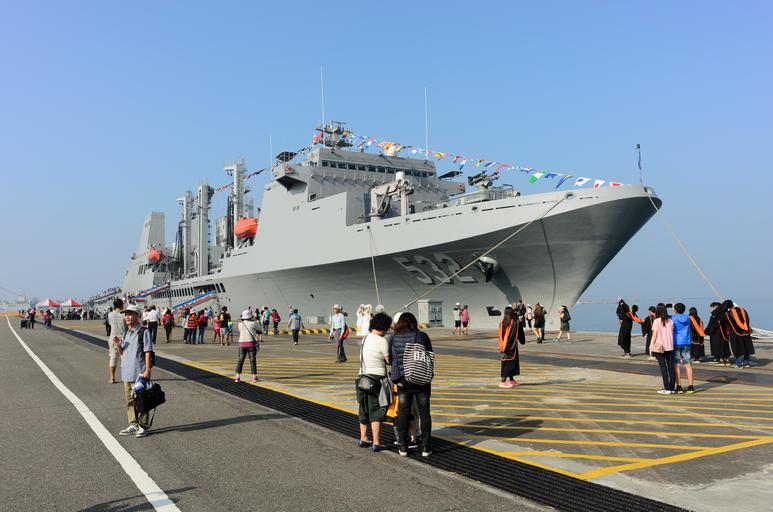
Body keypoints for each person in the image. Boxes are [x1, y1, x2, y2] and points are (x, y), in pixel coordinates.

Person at [390, 312, 433, 457]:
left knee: (403, 412)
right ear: (414, 322)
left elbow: (391, 358)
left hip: (403, 380)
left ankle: (403, 446)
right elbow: (429, 355)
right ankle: (425, 447)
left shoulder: (393, 337)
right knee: (424, 412)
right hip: (421, 380)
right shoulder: (422, 336)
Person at [114, 304, 153, 437]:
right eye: (126, 314)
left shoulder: (143, 331)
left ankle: (143, 426)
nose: (127, 317)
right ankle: (133, 424)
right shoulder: (126, 333)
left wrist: (147, 370)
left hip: (139, 373)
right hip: (126, 372)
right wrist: (118, 345)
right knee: (130, 401)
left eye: (130, 314)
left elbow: (148, 351)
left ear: (137, 316)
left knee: (142, 401)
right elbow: (122, 353)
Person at [356, 312, 392, 452]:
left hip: (362, 377)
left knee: (364, 408)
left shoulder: (365, 338)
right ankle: (376, 442)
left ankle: (363, 437)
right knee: (376, 409)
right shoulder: (382, 341)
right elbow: (388, 360)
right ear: (384, 328)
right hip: (376, 378)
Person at [649, 303, 676, 394]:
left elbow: (654, 335)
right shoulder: (671, 321)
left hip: (660, 348)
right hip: (670, 347)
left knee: (663, 368)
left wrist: (651, 346)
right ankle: (672, 388)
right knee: (671, 368)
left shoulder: (656, 321)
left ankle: (667, 388)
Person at [721, 300, 754, 368]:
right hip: (745, 332)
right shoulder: (743, 310)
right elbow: (747, 320)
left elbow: (723, 320)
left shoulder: (728, 313)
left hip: (735, 333)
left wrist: (723, 310)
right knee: (746, 347)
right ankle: (746, 362)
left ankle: (738, 363)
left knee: (737, 347)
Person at [498, 306, 524, 387]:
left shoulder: (502, 322)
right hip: (511, 347)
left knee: (512, 363)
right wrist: (520, 321)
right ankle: (502, 382)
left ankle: (511, 379)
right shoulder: (515, 323)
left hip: (504, 346)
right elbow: (520, 332)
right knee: (509, 364)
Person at [671, 303, 694, 393]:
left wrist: (669, 307)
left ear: (675, 310)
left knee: (676, 365)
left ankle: (679, 386)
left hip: (676, 342)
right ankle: (691, 386)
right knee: (688, 364)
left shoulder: (673, 318)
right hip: (686, 342)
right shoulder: (688, 317)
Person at [235, 309, 261, 383]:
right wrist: (255, 320)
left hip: (242, 344)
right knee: (252, 360)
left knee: (240, 360)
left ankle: (237, 377)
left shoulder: (240, 324)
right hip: (251, 344)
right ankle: (254, 377)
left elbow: (240, 330)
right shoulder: (253, 323)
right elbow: (260, 329)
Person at [106, 298, 126, 384]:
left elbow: (110, 324)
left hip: (113, 337)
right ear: (121, 305)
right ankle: (126, 377)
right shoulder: (125, 314)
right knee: (124, 359)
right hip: (123, 338)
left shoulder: (110, 314)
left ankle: (112, 378)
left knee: (113, 358)